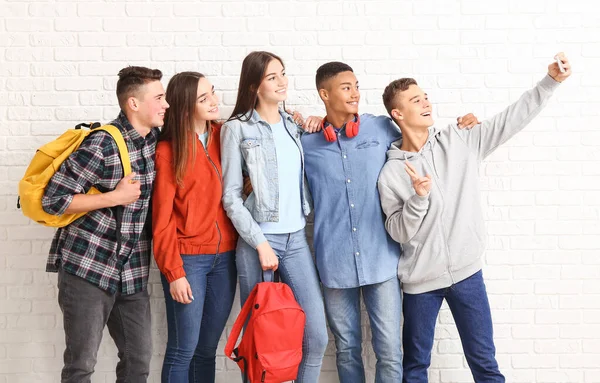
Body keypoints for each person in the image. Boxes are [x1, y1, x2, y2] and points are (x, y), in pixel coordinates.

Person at [377, 53, 571, 382]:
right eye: (415, 100)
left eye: (425, 96)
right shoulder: (390, 173)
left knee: (484, 364)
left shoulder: (460, 139)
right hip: (420, 284)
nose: (426, 102)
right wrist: (418, 199)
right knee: (415, 369)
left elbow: (511, 119)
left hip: (468, 275)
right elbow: (397, 232)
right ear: (398, 113)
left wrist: (549, 82)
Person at [300, 61, 479, 383]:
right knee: (347, 348)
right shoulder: (306, 144)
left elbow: (420, 137)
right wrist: (304, 121)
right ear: (324, 94)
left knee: (390, 351)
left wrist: (464, 125)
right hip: (334, 263)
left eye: (356, 85)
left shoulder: (380, 128)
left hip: (381, 259)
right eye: (346, 87)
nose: (355, 93)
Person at [42, 66, 168, 383]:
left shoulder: (153, 140)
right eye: (159, 97)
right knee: (81, 366)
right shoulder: (102, 144)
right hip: (88, 270)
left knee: (139, 362)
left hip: (131, 272)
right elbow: (53, 200)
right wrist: (114, 197)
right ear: (133, 104)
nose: (166, 105)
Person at [220, 51, 328, 382]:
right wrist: (260, 243)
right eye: (272, 77)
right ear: (254, 86)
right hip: (257, 244)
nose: (282, 82)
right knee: (260, 343)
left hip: (296, 240)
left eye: (283, 74)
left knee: (316, 338)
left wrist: (316, 122)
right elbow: (231, 197)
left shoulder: (294, 125)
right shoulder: (236, 129)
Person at [152, 72, 238, 382]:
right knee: (182, 349)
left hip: (224, 258)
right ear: (186, 106)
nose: (215, 101)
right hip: (188, 261)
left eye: (212, 93)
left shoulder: (226, 136)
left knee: (206, 349)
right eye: (204, 98)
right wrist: (174, 273)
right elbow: (161, 221)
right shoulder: (168, 151)